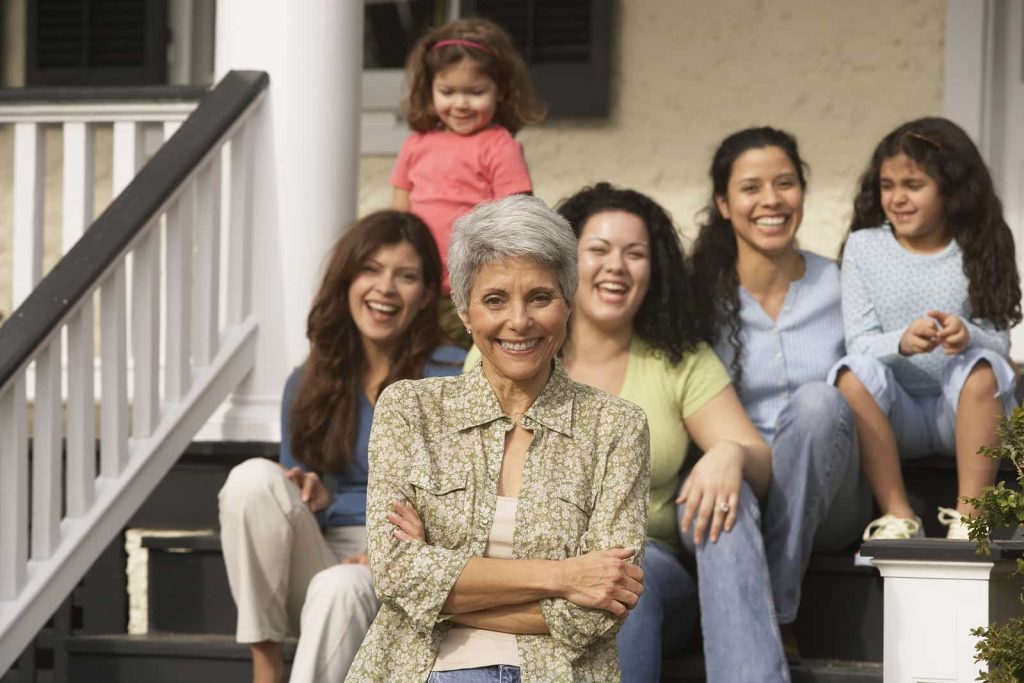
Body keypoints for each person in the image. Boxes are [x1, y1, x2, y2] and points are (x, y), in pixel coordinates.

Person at [346, 194, 651, 683]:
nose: (519, 321)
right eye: (495, 300)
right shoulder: (409, 409)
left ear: (568, 305)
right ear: (464, 311)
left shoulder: (616, 427)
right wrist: (563, 576)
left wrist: (440, 590)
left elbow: (602, 606)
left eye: (540, 297)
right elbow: (395, 572)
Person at [217, 211, 466, 683]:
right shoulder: (309, 381)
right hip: (324, 550)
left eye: (406, 276)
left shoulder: (453, 379)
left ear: (429, 293)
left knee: (342, 588)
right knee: (252, 479)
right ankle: (265, 665)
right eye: (371, 269)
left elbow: (473, 502)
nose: (385, 288)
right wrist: (312, 491)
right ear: (347, 279)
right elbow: (296, 500)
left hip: (414, 564)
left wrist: (398, 553)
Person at [690, 127, 872, 678]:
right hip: (739, 480)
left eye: (785, 183)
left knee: (819, 402)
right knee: (714, 498)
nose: (771, 200)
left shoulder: (839, 283)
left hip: (831, 492)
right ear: (724, 204)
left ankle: (778, 607)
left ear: (802, 191)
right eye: (751, 188)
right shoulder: (698, 296)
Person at [832, 117, 1021, 541]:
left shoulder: (981, 244)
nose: (896, 199)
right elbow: (859, 342)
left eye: (913, 185)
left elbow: (1000, 341)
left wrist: (967, 334)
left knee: (986, 366)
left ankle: (971, 518)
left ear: (951, 190)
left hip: (965, 412)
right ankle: (899, 516)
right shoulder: (865, 246)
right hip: (893, 415)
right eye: (887, 185)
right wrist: (902, 341)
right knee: (849, 372)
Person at [391, 17, 546, 346]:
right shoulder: (416, 145)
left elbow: (516, 223)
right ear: (429, 88)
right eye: (447, 91)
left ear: (500, 91)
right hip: (418, 286)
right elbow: (399, 219)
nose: (460, 104)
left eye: (475, 92)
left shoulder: (500, 146)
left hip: (471, 290)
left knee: (460, 368)